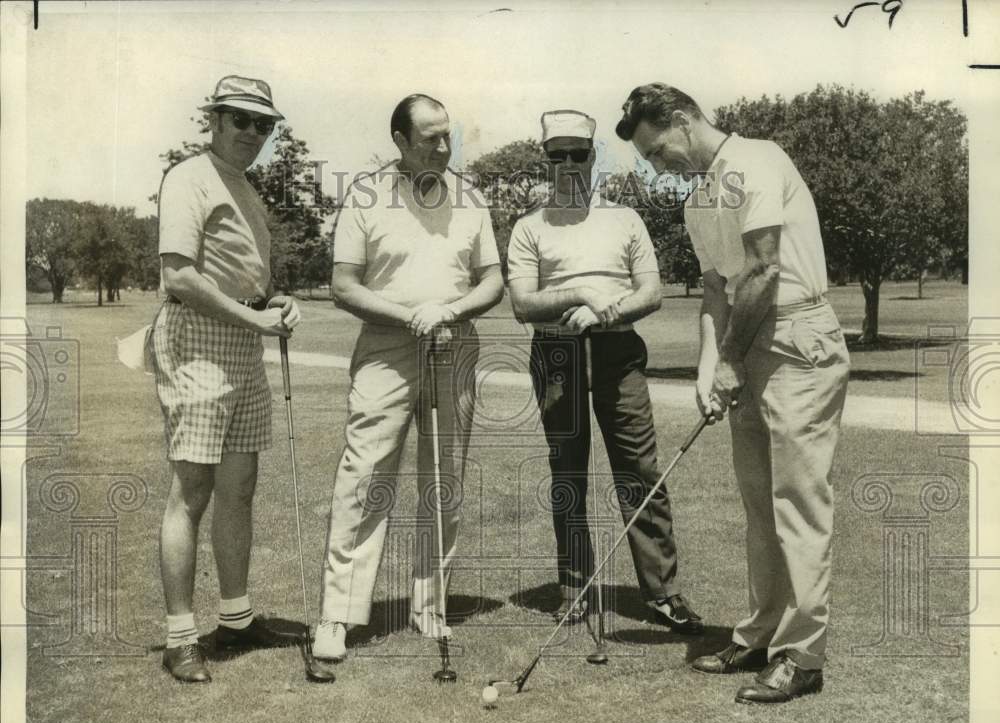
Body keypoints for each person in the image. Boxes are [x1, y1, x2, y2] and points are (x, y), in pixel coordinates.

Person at [616, 83, 850, 704]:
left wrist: (728, 361)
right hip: (747, 343)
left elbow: (766, 268)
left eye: (658, 148)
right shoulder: (698, 200)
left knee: (797, 501)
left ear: (683, 119)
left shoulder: (756, 160)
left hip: (799, 336)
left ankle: (803, 655)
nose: (657, 164)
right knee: (758, 506)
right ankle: (761, 631)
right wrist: (706, 368)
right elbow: (716, 291)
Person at [310, 94, 503, 670]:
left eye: (448, 137)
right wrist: (411, 315)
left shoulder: (470, 197)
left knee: (444, 478)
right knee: (365, 477)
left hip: (454, 344)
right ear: (400, 141)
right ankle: (337, 616)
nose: (443, 149)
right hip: (387, 349)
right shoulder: (365, 196)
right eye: (429, 139)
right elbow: (344, 285)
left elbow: (493, 281)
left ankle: (430, 605)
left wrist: (449, 312)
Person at [505, 109, 703, 634]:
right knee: (568, 474)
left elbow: (651, 292)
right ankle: (574, 589)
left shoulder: (625, 218)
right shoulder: (529, 227)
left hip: (617, 353)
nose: (568, 164)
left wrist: (604, 310)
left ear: (593, 158)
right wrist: (581, 295)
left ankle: (662, 593)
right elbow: (523, 304)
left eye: (578, 154)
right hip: (558, 357)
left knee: (639, 471)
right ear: (545, 161)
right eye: (557, 156)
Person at [151, 76, 302, 683]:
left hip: (242, 342)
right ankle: (179, 637)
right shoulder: (189, 176)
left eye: (264, 124)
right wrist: (255, 318)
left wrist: (277, 303)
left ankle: (235, 621)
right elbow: (180, 278)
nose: (253, 133)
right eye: (241, 120)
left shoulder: (244, 186)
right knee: (192, 491)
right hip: (199, 339)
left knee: (239, 488)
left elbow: (247, 280)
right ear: (213, 120)